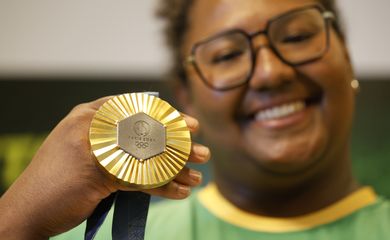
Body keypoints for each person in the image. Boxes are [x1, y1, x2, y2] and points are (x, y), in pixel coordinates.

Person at [1, 0, 389, 239]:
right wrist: (16, 220)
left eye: (297, 37)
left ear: (348, 59)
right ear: (187, 96)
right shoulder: (88, 236)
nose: (271, 72)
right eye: (226, 56)